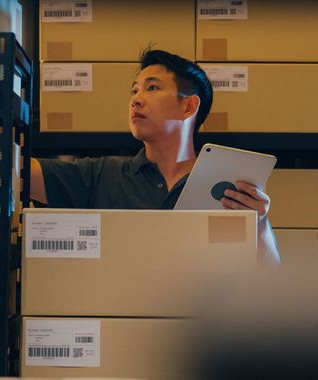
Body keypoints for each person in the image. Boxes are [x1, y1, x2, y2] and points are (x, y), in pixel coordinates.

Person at [30, 49, 280, 264]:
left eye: (152, 88)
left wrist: (259, 223)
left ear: (189, 107)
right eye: (134, 90)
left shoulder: (229, 189)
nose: (136, 100)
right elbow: (17, 171)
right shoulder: (101, 175)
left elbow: (271, 278)